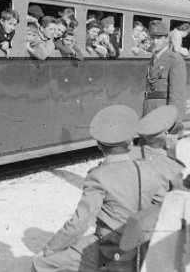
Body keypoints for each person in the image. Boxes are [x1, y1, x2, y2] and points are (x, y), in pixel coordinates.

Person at [33, 105, 165, 272]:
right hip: (143, 249)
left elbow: (79, 224)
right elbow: (163, 207)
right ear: (131, 143)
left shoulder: (98, 176)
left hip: (109, 251)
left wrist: (49, 250)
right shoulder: (149, 170)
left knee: (41, 264)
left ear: (99, 146)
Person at [135, 105, 185, 191]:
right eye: (176, 136)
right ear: (167, 138)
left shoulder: (132, 156)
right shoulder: (172, 168)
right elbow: (180, 196)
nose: (179, 139)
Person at [144, 21, 187, 121]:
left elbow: (177, 96)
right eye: (152, 38)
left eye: (159, 38)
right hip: (150, 113)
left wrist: (173, 122)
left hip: (164, 116)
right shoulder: (153, 59)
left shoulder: (175, 60)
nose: (154, 41)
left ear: (167, 39)